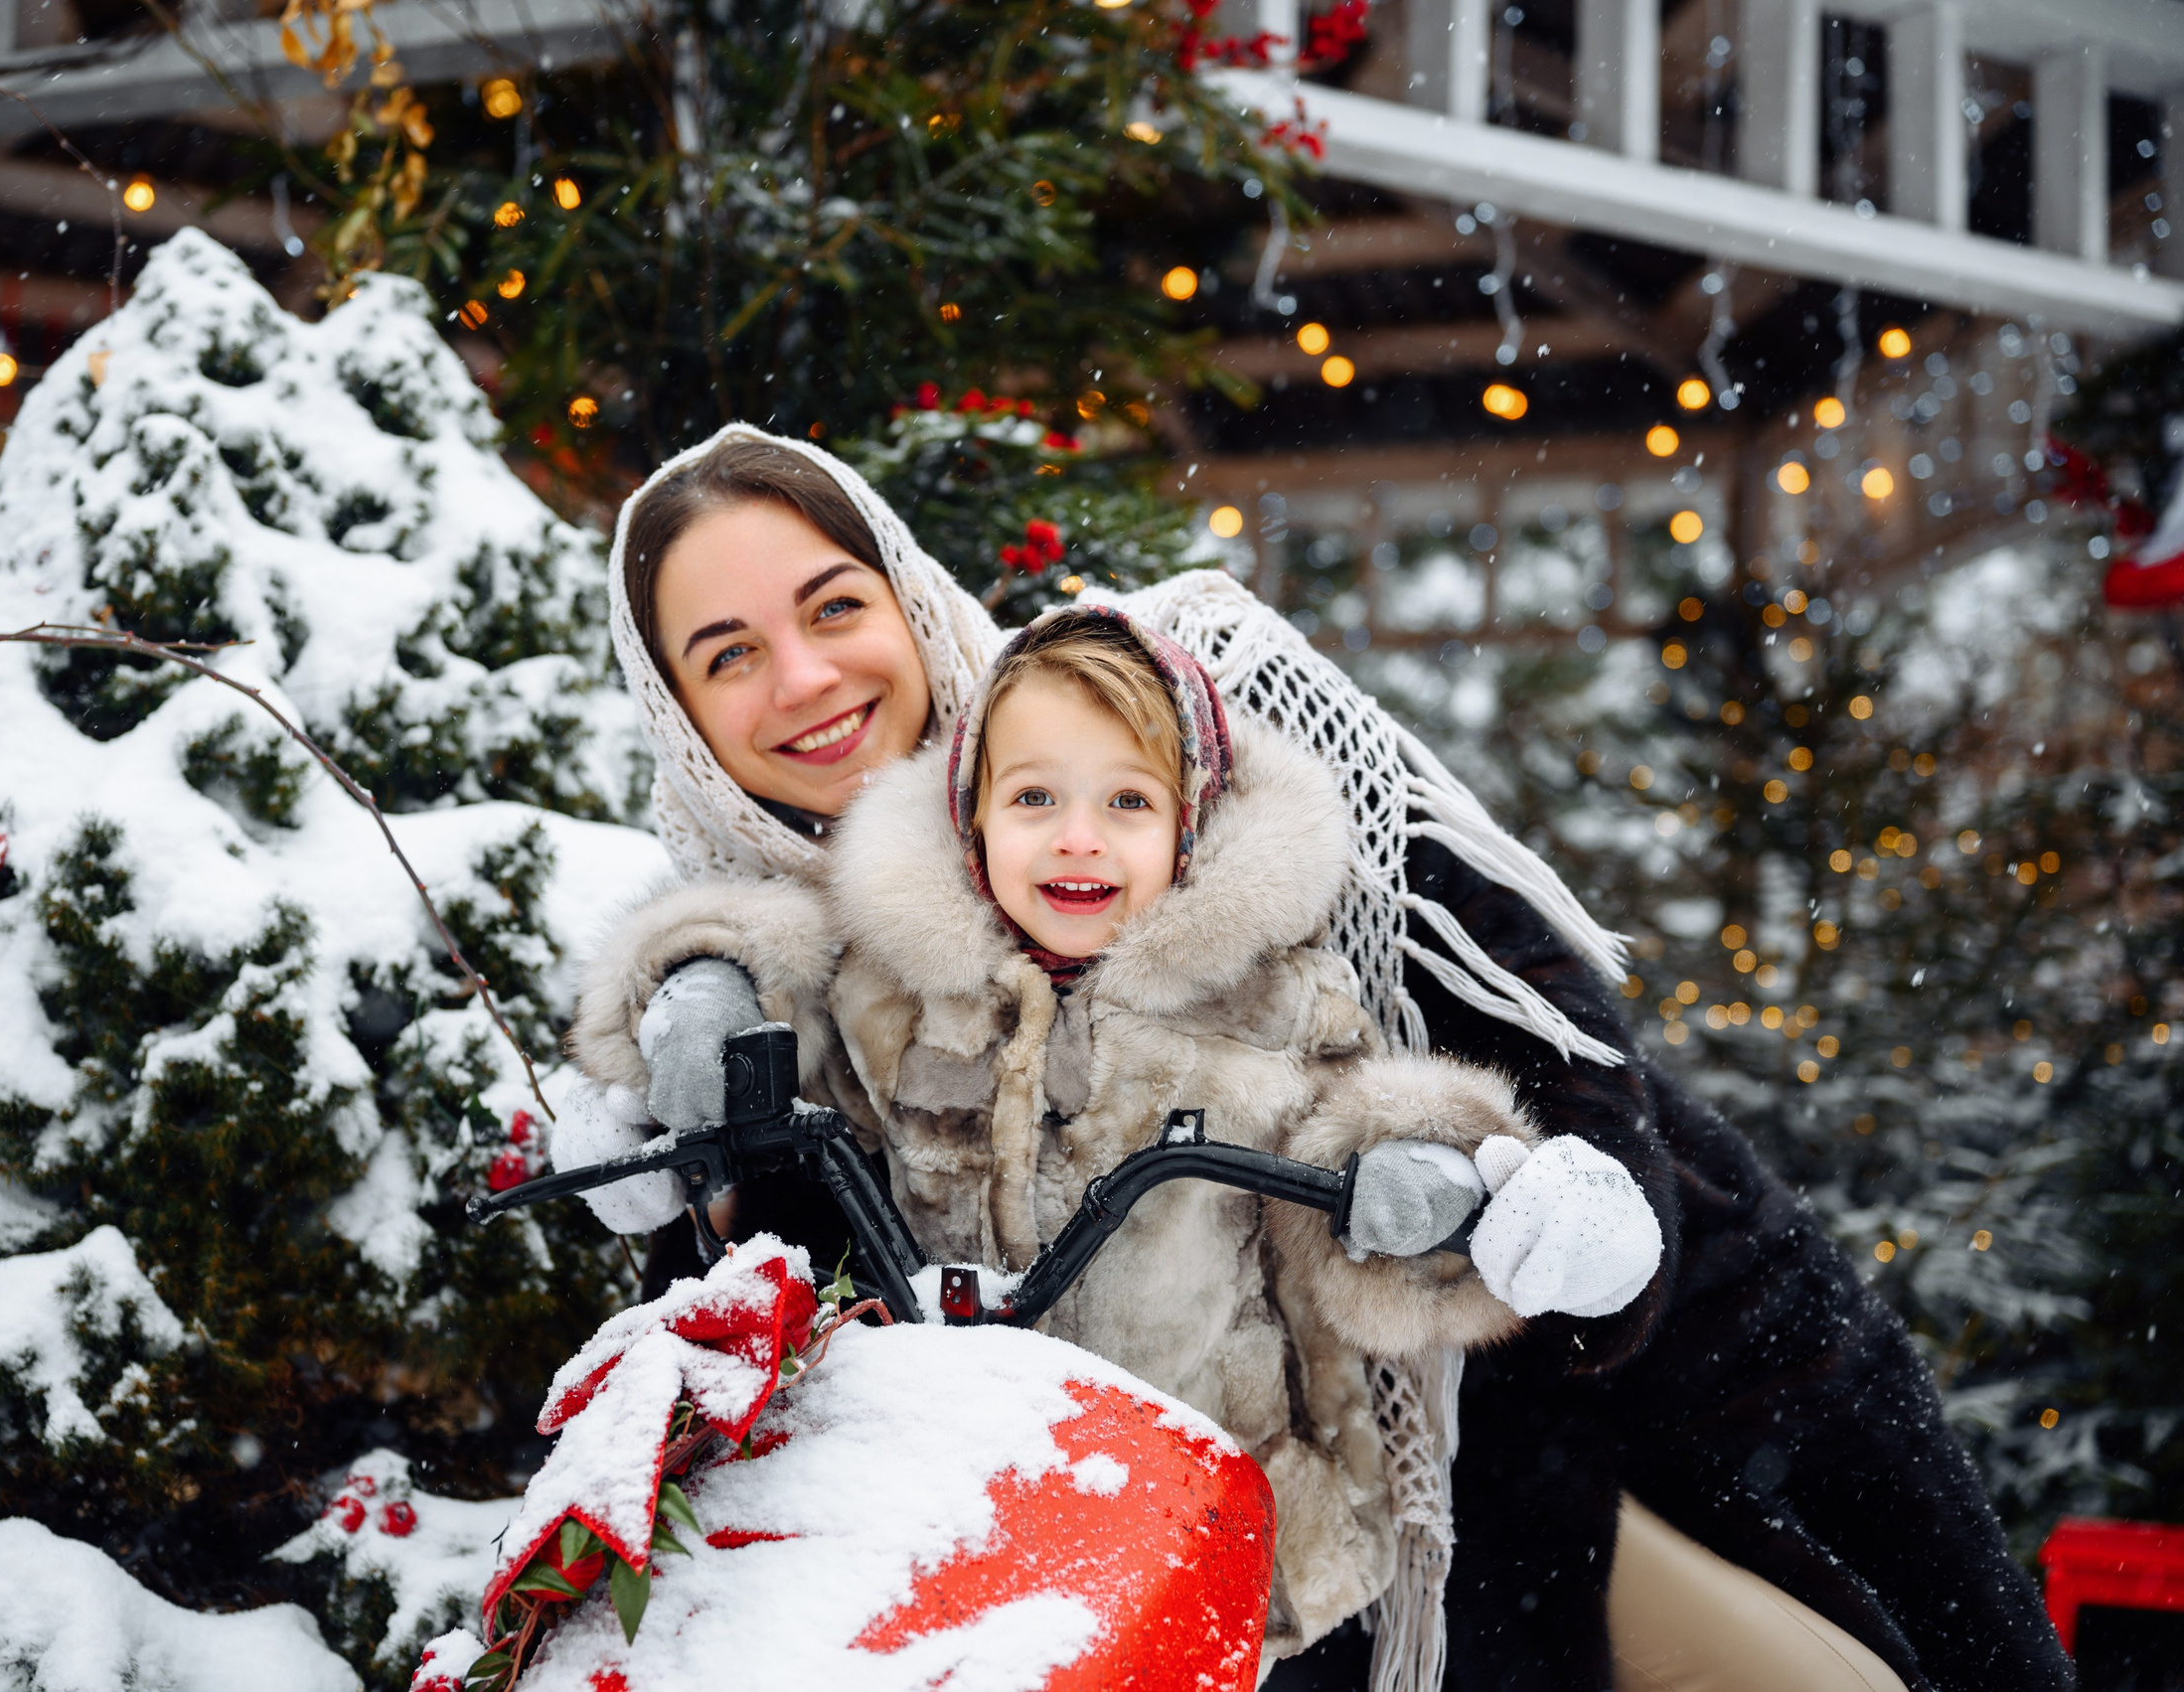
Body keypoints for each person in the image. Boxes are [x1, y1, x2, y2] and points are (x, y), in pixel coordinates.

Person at [553, 425, 2069, 1692]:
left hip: (1583, 1394)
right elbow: (775, 1323)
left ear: (902, 590)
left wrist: (1556, 1195)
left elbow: (1520, 1006)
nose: (803, 679)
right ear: (680, 714)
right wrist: (677, 1169)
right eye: (728, 654)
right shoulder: (756, 976)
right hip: (1161, 1560)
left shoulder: (1157, 708)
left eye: (833, 607)